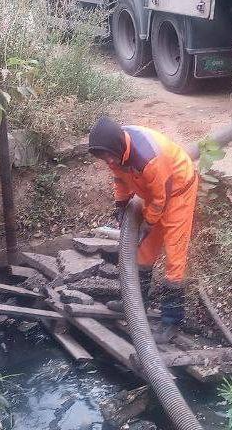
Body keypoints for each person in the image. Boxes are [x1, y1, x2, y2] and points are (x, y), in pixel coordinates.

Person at [88, 116, 199, 342]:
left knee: (174, 262)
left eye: (108, 156)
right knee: (144, 254)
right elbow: (120, 181)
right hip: (154, 194)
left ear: (118, 147)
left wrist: (148, 223)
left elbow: (161, 198)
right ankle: (137, 303)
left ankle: (171, 321)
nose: (107, 161)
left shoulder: (148, 158)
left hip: (177, 193)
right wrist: (120, 205)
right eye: (103, 157)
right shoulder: (115, 153)